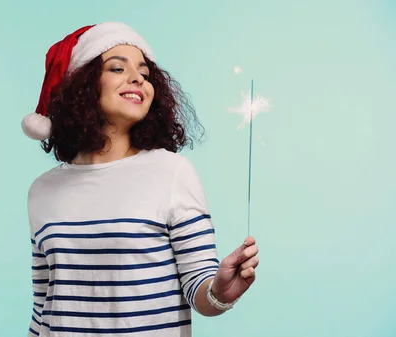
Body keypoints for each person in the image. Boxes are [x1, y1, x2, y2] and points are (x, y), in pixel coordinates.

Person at [21, 22, 259, 337]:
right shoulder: (42, 190)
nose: (138, 78)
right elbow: (43, 306)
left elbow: (198, 285)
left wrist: (220, 292)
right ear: (82, 85)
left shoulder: (172, 172)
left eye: (145, 74)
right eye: (118, 68)